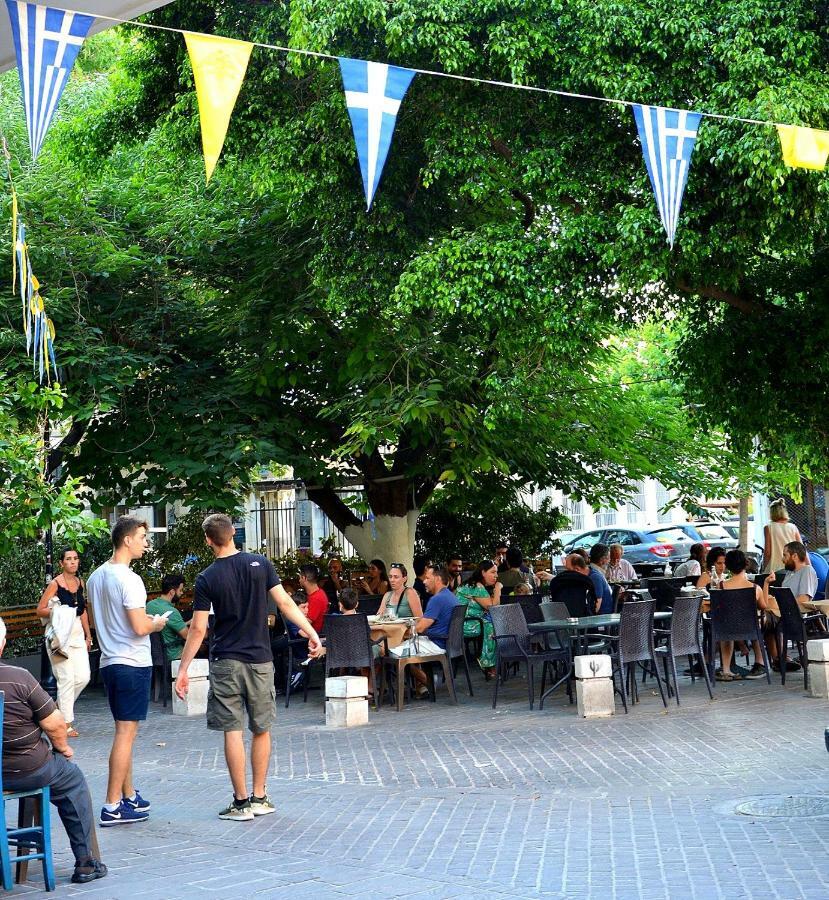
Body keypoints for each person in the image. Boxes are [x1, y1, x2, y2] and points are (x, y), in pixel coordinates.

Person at [175, 513, 322, 822]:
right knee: (261, 728)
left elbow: (199, 629)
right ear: (233, 535)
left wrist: (184, 668)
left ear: (208, 540)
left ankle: (240, 803)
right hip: (260, 659)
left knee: (232, 729)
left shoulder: (207, 578)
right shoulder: (261, 565)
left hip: (226, 659)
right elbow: (284, 604)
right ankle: (260, 796)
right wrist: (310, 632)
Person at [0, 617, 107, 884]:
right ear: (1, 645)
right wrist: (63, 748)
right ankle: (85, 862)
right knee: (73, 781)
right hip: (27, 769)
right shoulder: (18, 678)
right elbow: (56, 724)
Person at [86, 515, 167, 826]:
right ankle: (112, 804)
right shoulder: (129, 579)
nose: (147, 543)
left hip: (109, 661)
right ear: (127, 540)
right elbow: (139, 626)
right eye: (143, 537)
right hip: (131, 662)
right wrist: (158, 622)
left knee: (125, 733)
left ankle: (128, 794)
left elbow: (98, 621)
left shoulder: (95, 577)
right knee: (124, 734)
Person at [36, 547, 92, 738]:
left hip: (76, 634)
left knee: (83, 676)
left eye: (75, 558)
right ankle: (65, 724)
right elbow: (40, 610)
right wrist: (58, 612)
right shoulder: (55, 584)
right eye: (68, 559)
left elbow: (82, 610)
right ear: (61, 563)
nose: (73, 562)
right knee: (66, 678)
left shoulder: (79, 582)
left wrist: (88, 635)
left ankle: (57, 710)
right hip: (58, 636)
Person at [714, 549, 768, 681]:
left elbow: (717, 608)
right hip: (751, 628)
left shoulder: (721, 586)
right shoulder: (755, 588)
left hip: (728, 629)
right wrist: (766, 584)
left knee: (727, 629)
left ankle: (726, 670)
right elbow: (763, 606)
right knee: (760, 620)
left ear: (728, 566)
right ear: (746, 564)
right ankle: (760, 662)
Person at [456, 560, 501, 679]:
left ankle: (491, 661)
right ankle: (488, 664)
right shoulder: (477, 586)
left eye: (496, 572)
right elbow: (493, 607)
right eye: (493, 572)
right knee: (493, 626)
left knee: (494, 623)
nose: (496, 576)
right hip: (465, 625)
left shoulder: (473, 584)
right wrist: (498, 589)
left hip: (462, 623)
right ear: (483, 572)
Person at [146, 573, 189, 661]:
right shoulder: (172, 612)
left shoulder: (149, 605)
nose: (182, 593)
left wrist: (187, 622)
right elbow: (187, 636)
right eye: (180, 590)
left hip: (155, 656)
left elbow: (168, 626)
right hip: (173, 657)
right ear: (172, 592)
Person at [763, 499, 802, 573]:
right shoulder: (793, 527)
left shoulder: (768, 528)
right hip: (792, 568)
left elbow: (768, 553)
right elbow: (801, 549)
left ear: (772, 513)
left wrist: (764, 568)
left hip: (774, 570)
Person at [298, 564, 328, 634]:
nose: (299, 580)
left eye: (299, 577)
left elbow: (306, 623)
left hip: (309, 637)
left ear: (304, 578)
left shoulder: (316, 598)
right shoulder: (319, 593)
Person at [588, 544, 614, 614]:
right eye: (608, 558)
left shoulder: (596, 572)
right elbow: (596, 607)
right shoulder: (596, 576)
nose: (609, 561)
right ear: (602, 559)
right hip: (603, 619)